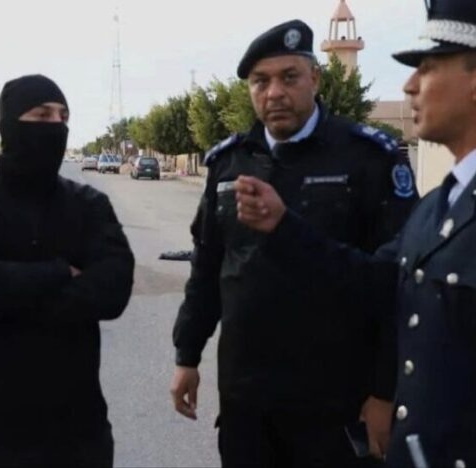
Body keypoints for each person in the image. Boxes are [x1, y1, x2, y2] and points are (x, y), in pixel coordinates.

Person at [233, 2, 476, 466]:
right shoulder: (437, 206)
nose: (408, 85)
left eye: (427, 68)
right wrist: (283, 226)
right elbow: (372, 280)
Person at [169, 19, 419, 467]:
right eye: (260, 82)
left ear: (315, 78)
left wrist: (385, 391)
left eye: (289, 77)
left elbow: (396, 286)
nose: (274, 93)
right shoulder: (230, 162)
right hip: (248, 403)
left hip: (336, 404)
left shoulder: (366, 157)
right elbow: (208, 268)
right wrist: (187, 355)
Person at [0, 74, 134, 467]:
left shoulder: (89, 205)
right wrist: (61, 273)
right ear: (10, 124)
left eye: (63, 116)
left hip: (76, 428)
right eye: (42, 115)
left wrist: (11, 294)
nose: (56, 125)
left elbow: (114, 290)